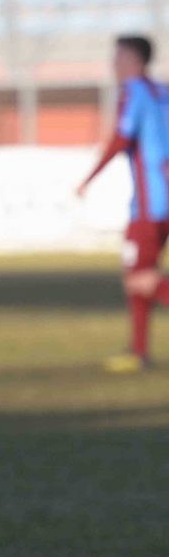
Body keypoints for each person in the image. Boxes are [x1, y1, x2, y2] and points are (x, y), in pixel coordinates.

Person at [78, 35, 169, 372]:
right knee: (140, 276)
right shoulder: (164, 92)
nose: (113, 65)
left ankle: (138, 351)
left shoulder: (133, 92)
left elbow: (121, 137)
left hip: (150, 205)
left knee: (139, 277)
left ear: (132, 60)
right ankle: (138, 351)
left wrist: (90, 177)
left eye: (117, 58)